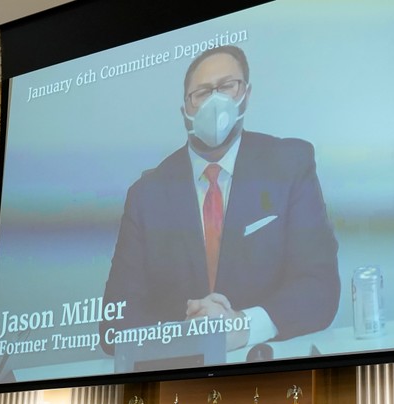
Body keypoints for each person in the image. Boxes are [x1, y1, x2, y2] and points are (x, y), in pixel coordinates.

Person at [101, 44, 340, 354]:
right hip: (180, 380)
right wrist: (184, 335)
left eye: (227, 86)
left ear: (246, 94)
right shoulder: (146, 195)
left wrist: (242, 326)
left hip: (272, 368)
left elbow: (320, 288)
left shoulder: (289, 164)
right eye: (201, 92)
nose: (215, 100)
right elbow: (114, 322)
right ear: (184, 110)